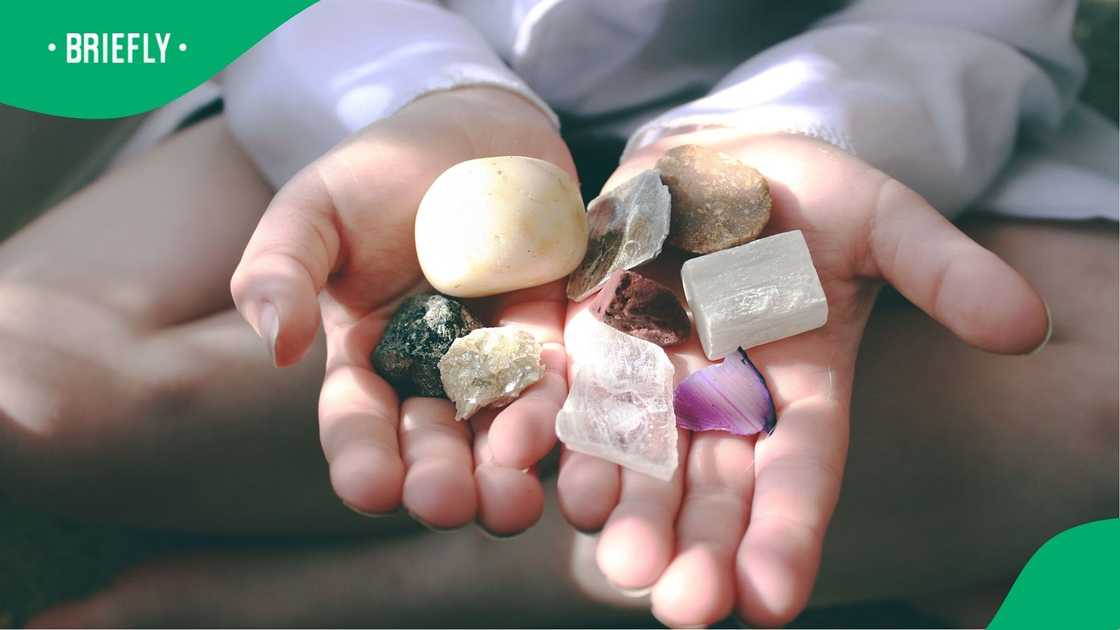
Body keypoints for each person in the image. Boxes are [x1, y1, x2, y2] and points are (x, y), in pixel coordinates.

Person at [3, 1, 1115, 627]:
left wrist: (767, 144)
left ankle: (349, 601)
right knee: (34, 386)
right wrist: (430, 102)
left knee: (1102, 408)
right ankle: (938, 526)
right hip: (383, 85)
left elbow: (976, 18)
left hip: (835, 110)